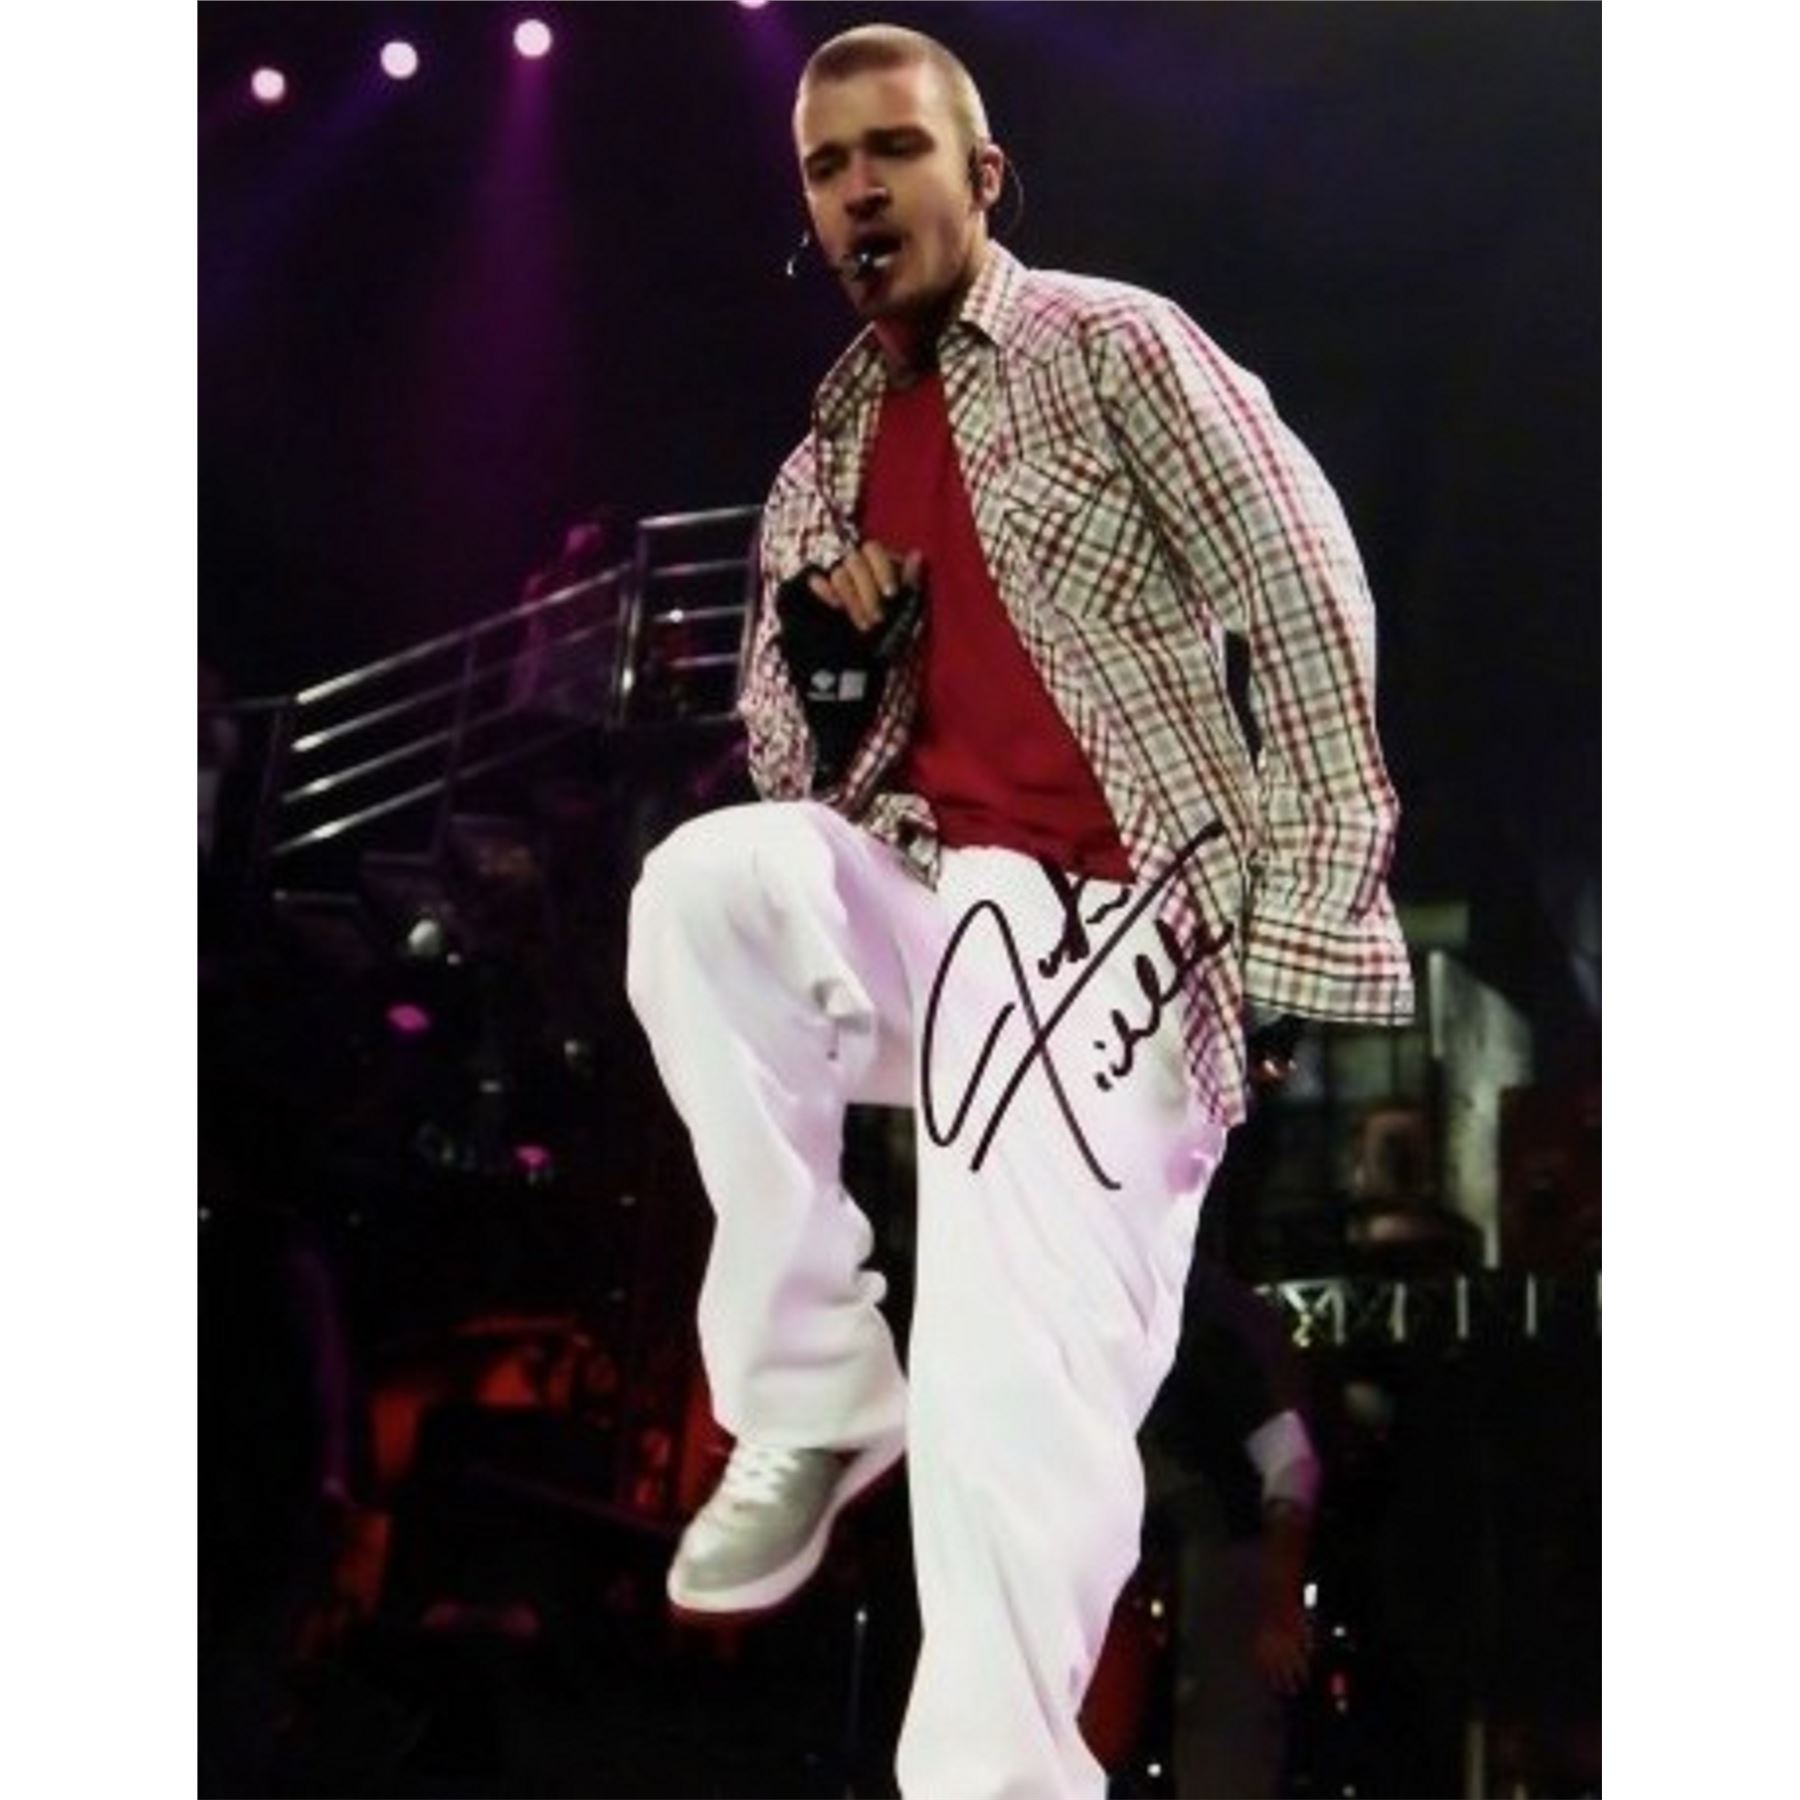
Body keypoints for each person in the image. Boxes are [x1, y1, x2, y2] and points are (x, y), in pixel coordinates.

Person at [625, 23, 1412, 1796]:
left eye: (894, 151)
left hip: (1116, 933)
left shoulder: (1109, 350)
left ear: (983, 177)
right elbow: (790, 766)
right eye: (827, 167)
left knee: (1005, 1407)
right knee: (704, 891)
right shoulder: (824, 459)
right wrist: (837, 683)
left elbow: (1304, 595)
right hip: (940, 913)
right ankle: (813, 1384)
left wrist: (1288, 941)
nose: (858, 191)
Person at [1142, 1257, 1322, 1798]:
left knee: (1219, 1740)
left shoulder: (1216, 1323)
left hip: (1225, 1553)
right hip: (1142, 1553)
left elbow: (1291, 1464)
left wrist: (1278, 1595)